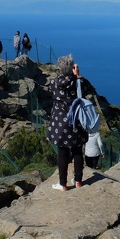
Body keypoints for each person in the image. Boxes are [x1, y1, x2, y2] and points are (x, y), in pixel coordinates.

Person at [47, 55, 95, 191]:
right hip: (77, 122)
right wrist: (77, 77)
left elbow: (52, 93)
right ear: (72, 67)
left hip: (60, 124)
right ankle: (78, 180)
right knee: (77, 150)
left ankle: (63, 184)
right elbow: (90, 89)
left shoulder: (54, 83)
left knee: (62, 153)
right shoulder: (81, 82)